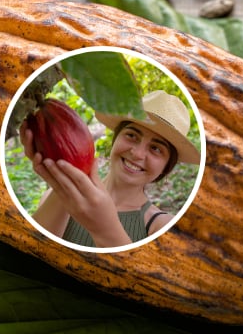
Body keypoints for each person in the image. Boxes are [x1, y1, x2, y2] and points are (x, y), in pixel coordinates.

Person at [21, 90, 201, 248]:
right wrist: (66, 173)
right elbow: (31, 252)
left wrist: (106, 229)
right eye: (131, 135)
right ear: (115, 140)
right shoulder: (52, 197)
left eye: (156, 149)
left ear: (165, 167)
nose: (137, 153)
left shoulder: (161, 226)